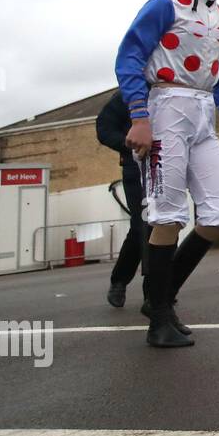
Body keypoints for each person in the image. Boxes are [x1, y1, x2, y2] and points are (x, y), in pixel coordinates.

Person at [114, 0, 219, 347]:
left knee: (218, 216)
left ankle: (162, 297)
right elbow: (129, 57)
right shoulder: (164, 4)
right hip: (166, 105)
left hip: (204, 112)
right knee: (167, 215)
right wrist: (139, 116)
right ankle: (160, 320)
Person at [95, 91, 146, 308]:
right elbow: (104, 129)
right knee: (141, 226)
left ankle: (159, 289)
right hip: (136, 169)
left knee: (166, 225)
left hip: (166, 168)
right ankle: (119, 281)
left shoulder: (170, 90)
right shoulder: (129, 94)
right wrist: (129, 145)